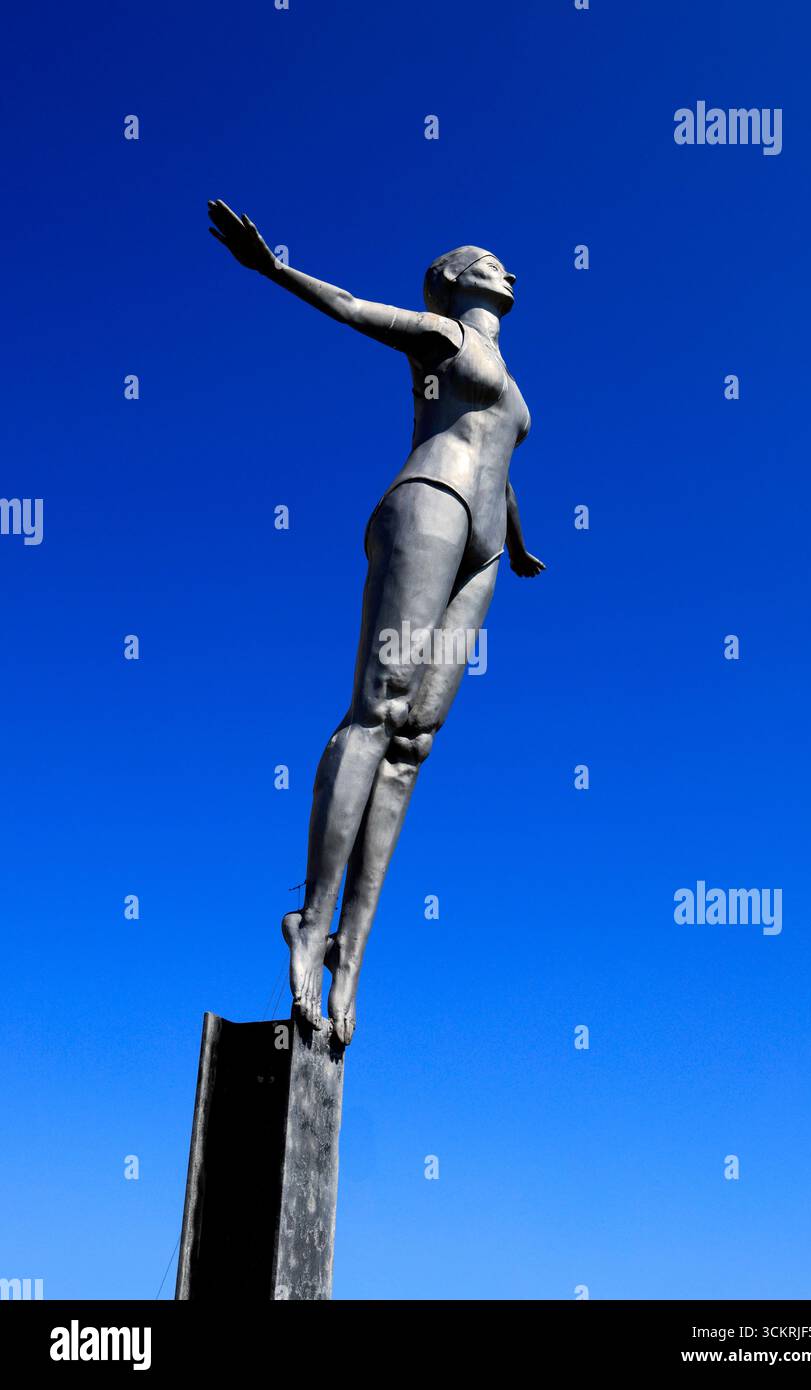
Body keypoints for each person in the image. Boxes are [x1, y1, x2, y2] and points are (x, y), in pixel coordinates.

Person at [208, 200, 545, 1043]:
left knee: (415, 741)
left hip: (484, 548)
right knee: (380, 707)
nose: (510, 272)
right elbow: (356, 308)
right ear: (455, 279)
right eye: (491, 260)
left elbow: (499, 462)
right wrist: (275, 268)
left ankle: (352, 951)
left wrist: (521, 542)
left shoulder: (507, 378)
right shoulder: (442, 337)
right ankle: (310, 923)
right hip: (428, 505)